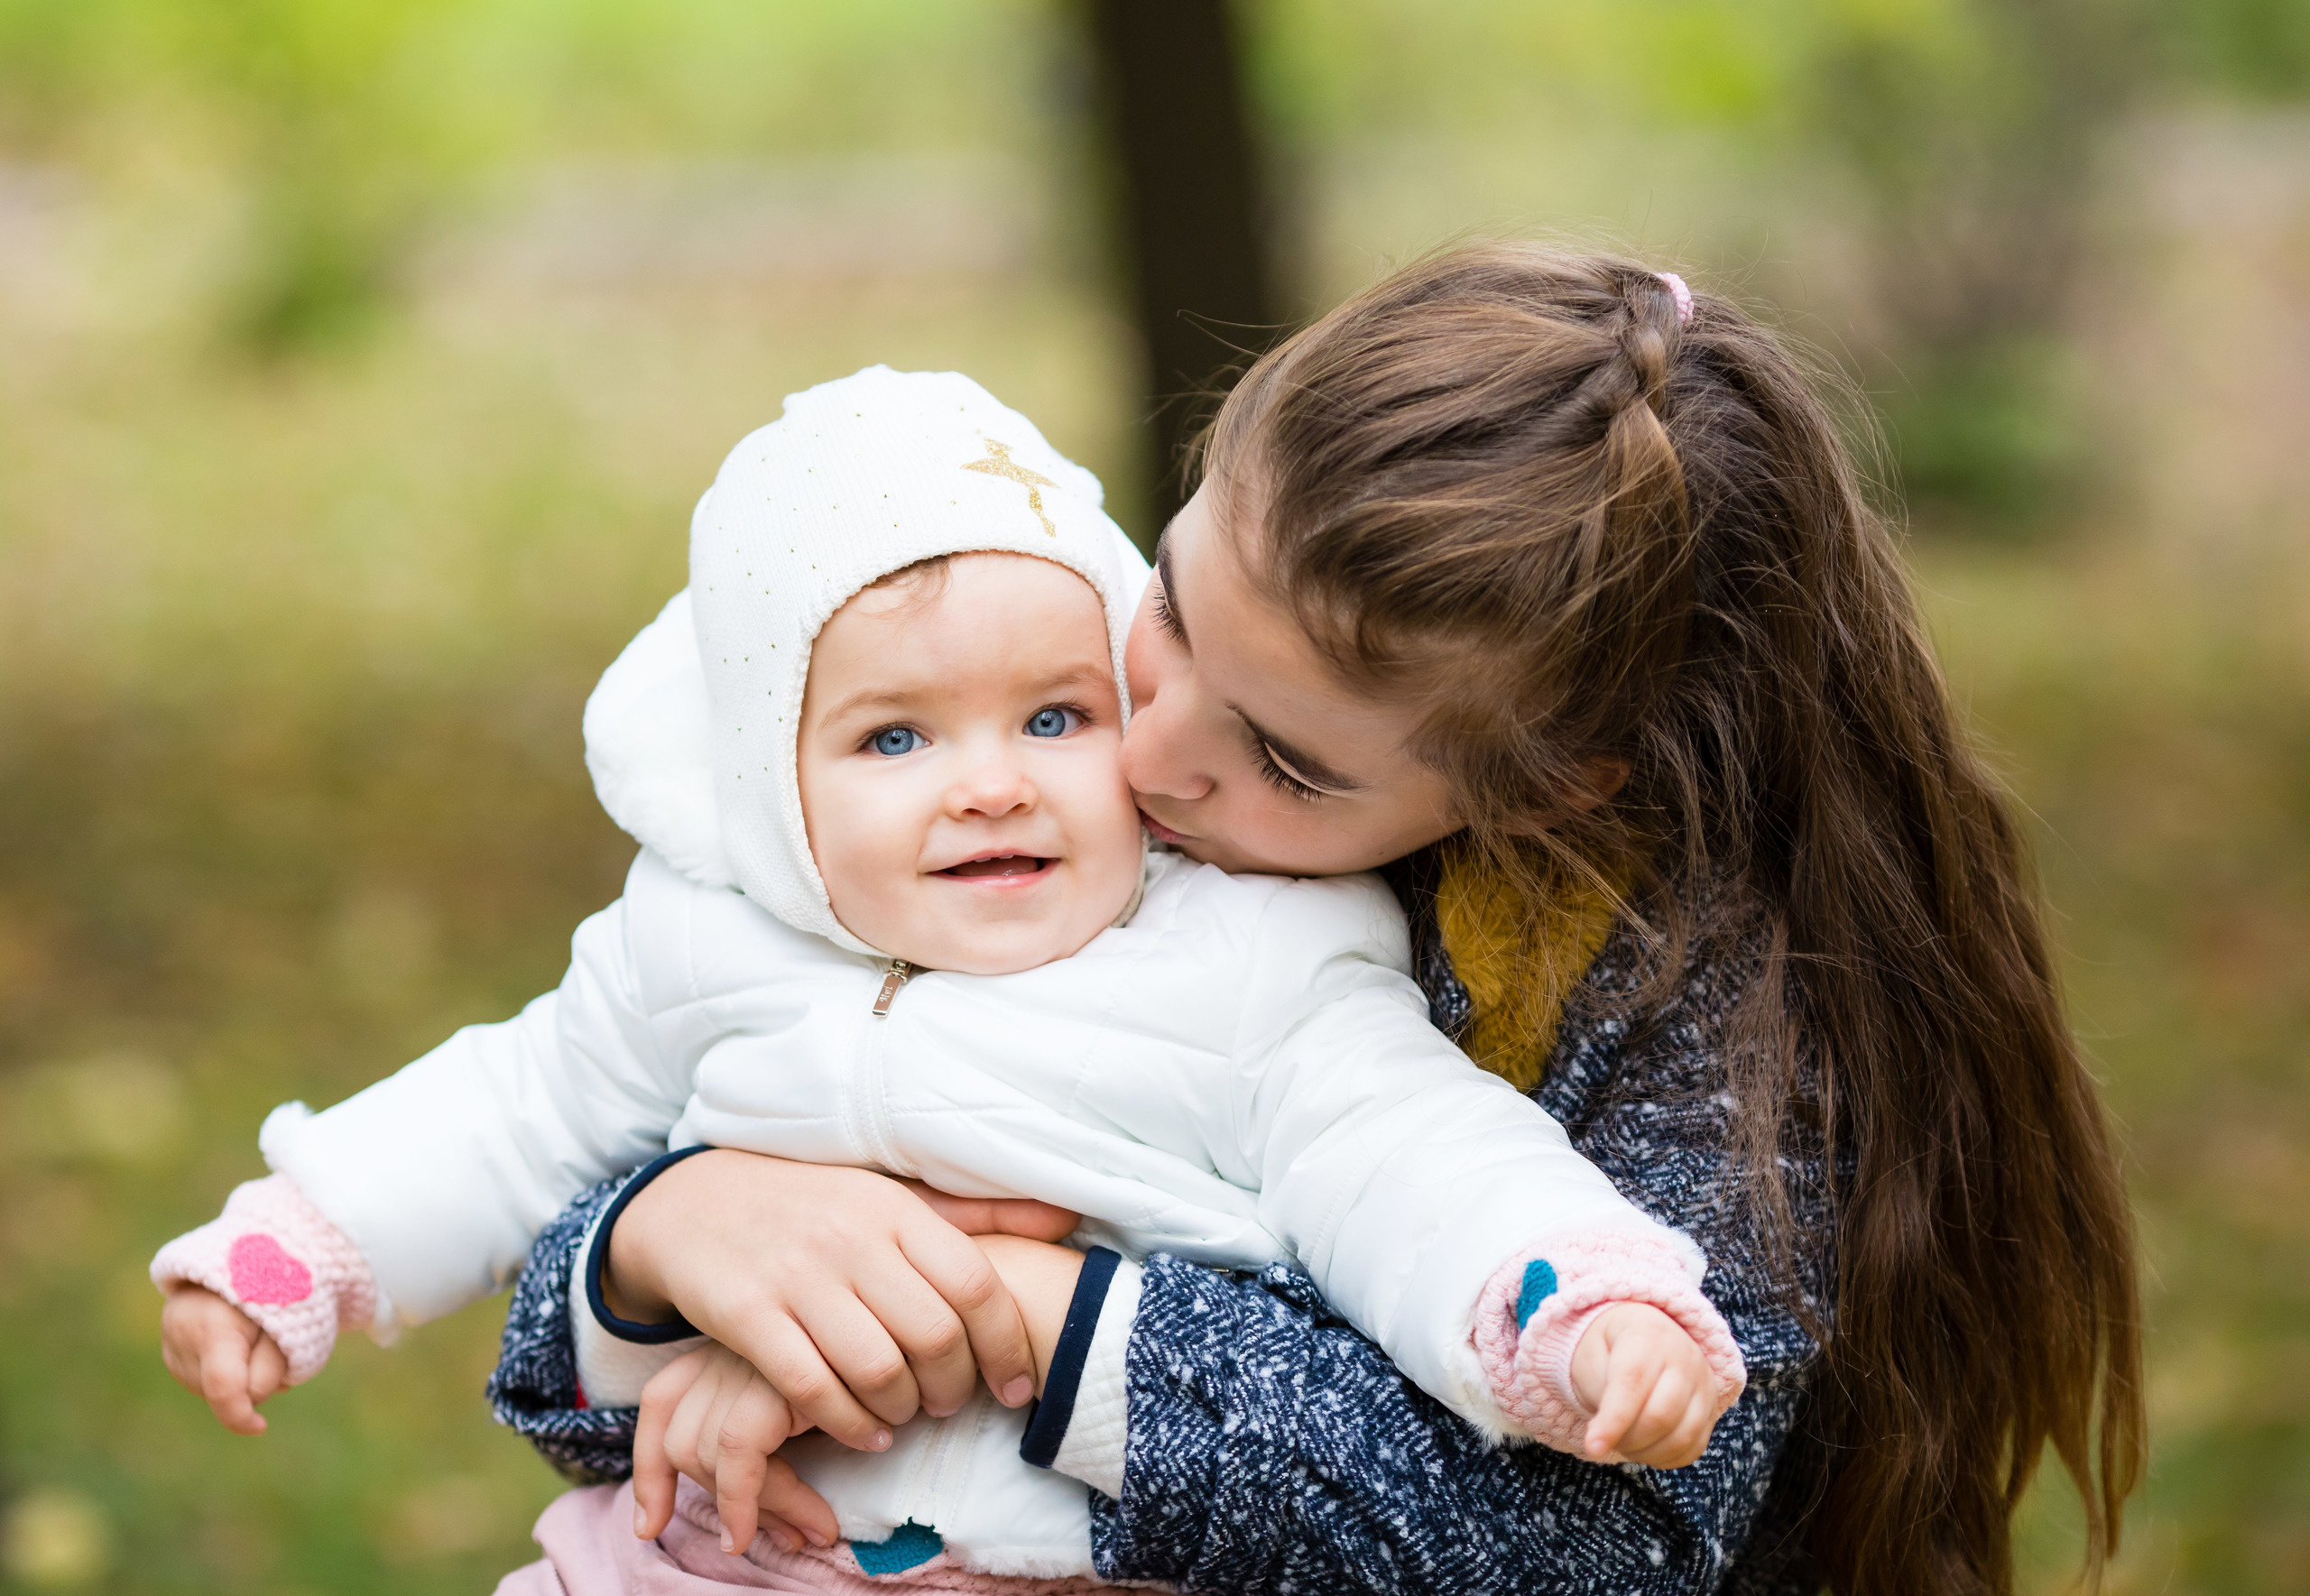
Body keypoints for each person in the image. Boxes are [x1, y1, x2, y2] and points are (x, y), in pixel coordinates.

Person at [489, 244, 2146, 1596]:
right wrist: (660, 1240)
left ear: (1555, 785)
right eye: (1176, 609)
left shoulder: (1717, 1017)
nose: (1148, 751)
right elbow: (603, 1405)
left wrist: (1021, 1315)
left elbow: (1598, 1549)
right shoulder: (1026, 776)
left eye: (1281, 756)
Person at [152, 365, 1744, 1588]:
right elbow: (514, 1108)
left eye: (1053, 716)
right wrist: (298, 1248)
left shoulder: (1252, 962)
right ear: (770, 776)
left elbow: (1415, 1159)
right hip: (691, 1543)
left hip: (1057, 1557)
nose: (991, 783)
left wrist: (1577, 1302)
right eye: (897, 737)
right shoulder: (700, 941)